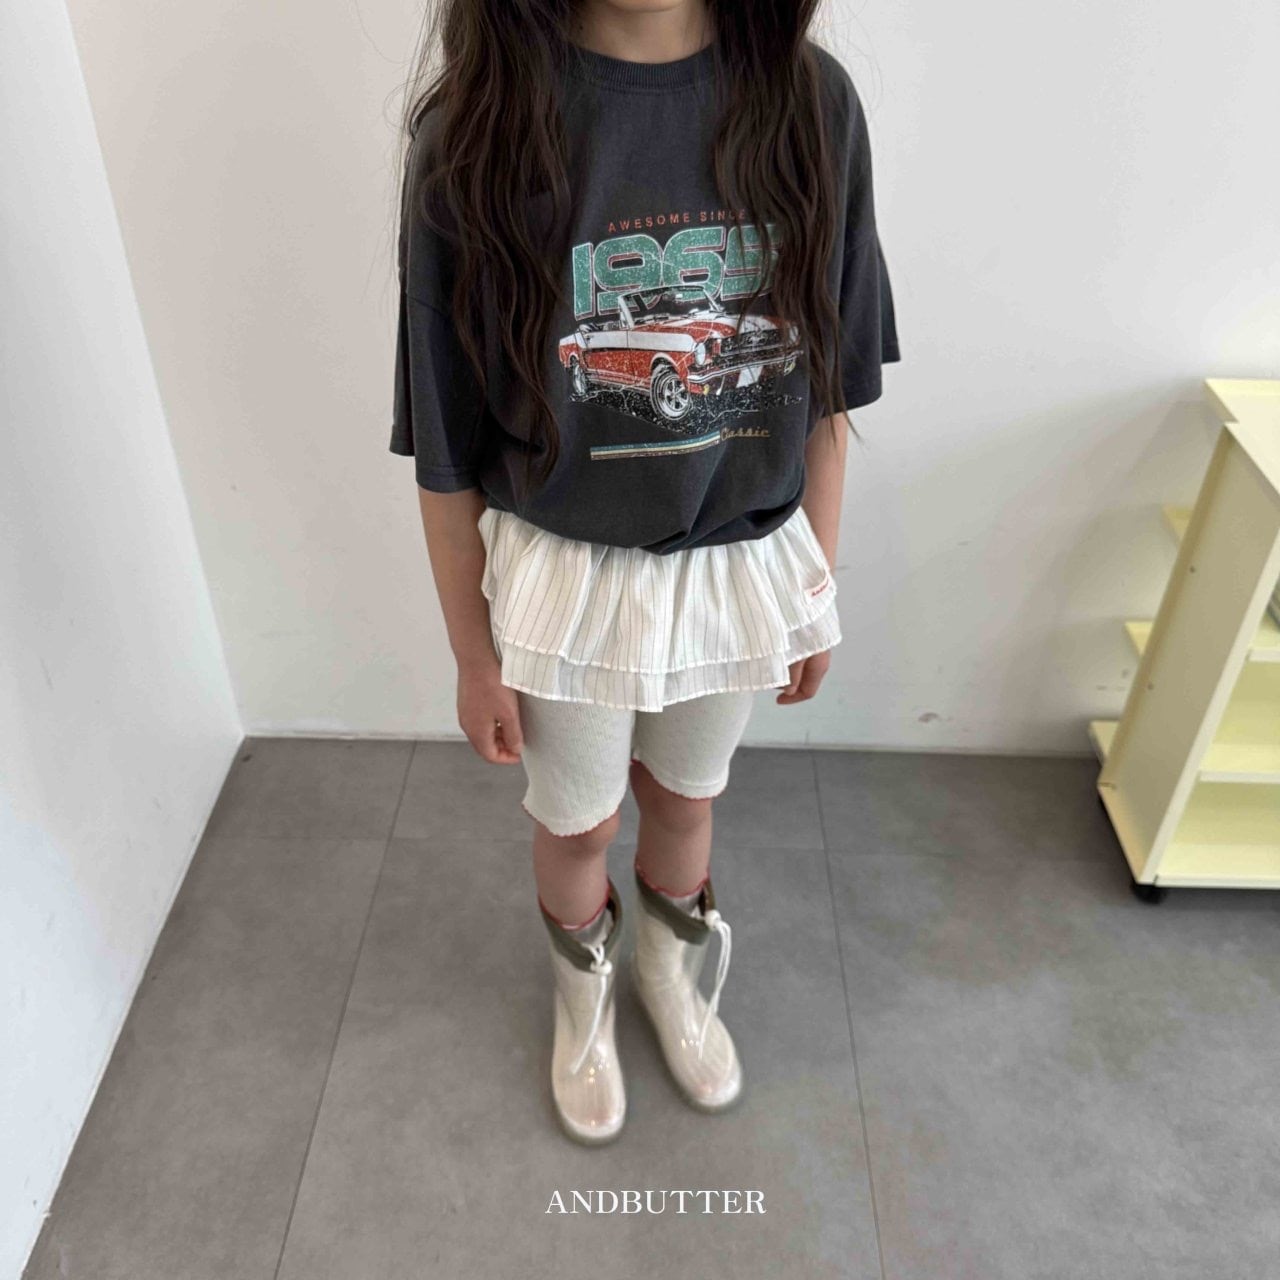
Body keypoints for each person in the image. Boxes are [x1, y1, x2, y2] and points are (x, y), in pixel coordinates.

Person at [389, 0, 900, 1144]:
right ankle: (582, 998)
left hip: (736, 565)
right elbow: (444, 448)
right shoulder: (471, 132)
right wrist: (471, 655)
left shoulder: (810, 106)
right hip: (563, 582)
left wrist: (811, 582)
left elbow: (825, 388)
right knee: (577, 823)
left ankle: (668, 972)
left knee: (685, 796)